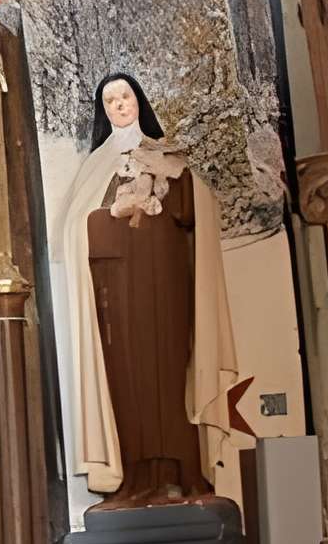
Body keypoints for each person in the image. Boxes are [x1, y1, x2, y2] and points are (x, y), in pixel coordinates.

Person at [60, 72, 238, 509]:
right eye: (111, 101)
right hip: (119, 299)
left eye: (126, 96)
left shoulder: (167, 155)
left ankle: (185, 473)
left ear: (139, 101)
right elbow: (76, 231)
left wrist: (172, 186)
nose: (120, 105)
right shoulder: (97, 166)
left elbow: (197, 212)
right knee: (130, 381)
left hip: (170, 284)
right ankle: (135, 479)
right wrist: (113, 212)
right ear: (104, 112)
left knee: (173, 369)